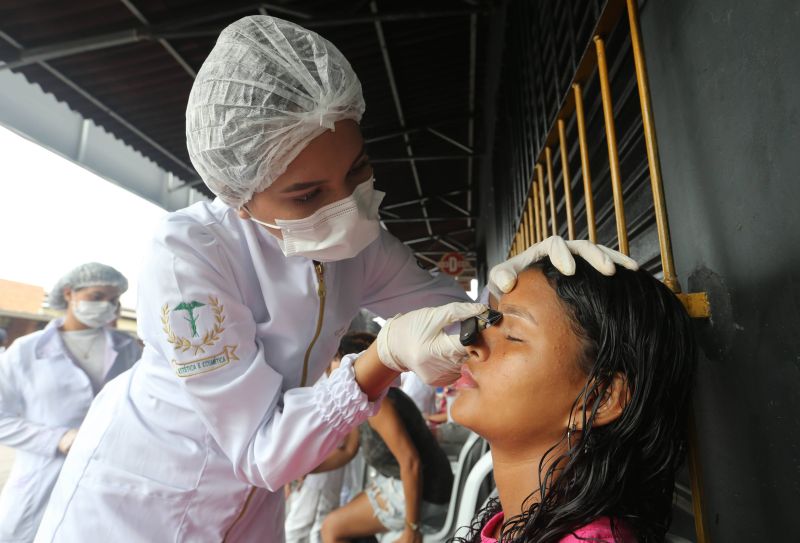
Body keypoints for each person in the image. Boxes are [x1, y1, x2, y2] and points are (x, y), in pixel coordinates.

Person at [35, 16, 634, 542]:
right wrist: (381, 359)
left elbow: (459, 319)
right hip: (141, 501)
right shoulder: (190, 254)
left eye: (358, 169)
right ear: (240, 198)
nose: (347, 205)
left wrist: (526, 280)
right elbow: (261, 452)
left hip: (252, 513)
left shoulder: (357, 248)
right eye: (306, 194)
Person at [450, 259, 697, 542]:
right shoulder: (510, 523)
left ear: (598, 398)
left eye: (513, 336)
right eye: (488, 323)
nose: (471, 343)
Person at [0, 263, 141, 543]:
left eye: (113, 300)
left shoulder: (130, 349)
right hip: (41, 480)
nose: (106, 305)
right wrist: (60, 438)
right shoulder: (26, 350)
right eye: (97, 296)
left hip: (110, 478)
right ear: (69, 294)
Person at [320, 389, 453, 543]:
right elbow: (348, 451)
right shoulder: (364, 400)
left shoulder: (380, 405)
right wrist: (301, 469)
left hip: (426, 490)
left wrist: (412, 529)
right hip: (408, 481)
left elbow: (411, 463)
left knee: (331, 528)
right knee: (345, 518)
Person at [284, 332, 375, 543]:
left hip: (323, 464)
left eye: (339, 359)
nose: (336, 364)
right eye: (335, 359)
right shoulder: (324, 384)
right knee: (305, 523)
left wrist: (301, 467)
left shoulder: (336, 386)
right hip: (317, 464)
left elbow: (348, 448)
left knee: (309, 524)